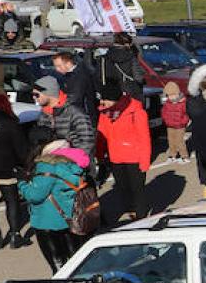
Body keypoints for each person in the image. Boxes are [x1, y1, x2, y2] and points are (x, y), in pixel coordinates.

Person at [19, 141, 89, 270]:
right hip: (71, 217)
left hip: (47, 222)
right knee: (77, 261)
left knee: (58, 265)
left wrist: (22, 184)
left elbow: (35, 195)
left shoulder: (47, 167)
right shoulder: (71, 163)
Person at [96, 82, 151, 224]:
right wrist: (100, 155)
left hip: (134, 158)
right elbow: (102, 135)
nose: (102, 102)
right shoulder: (105, 113)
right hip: (116, 158)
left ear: (114, 99)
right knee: (123, 188)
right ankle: (132, 213)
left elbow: (144, 138)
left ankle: (142, 218)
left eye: (105, 99)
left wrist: (145, 162)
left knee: (137, 190)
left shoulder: (136, 112)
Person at [0, 92, 31, 247]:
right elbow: (22, 151)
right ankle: (14, 234)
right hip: (5, 167)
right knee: (12, 201)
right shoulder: (10, 123)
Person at [33, 76, 95, 153]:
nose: (34, 97)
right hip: (52, 160)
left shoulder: (75, 112)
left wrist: (72, 159)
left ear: (48, 93)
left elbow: (88, 142)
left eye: (36, 95)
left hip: (73, 161)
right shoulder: (43, 114)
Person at [50, 49, 97, 124]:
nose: (56, 69)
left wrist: (57, 111)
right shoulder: (69, 75)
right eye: (55, 66)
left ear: (68, 63)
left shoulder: (79, 76)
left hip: (83, 117)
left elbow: (75, 98)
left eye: (59, 66)